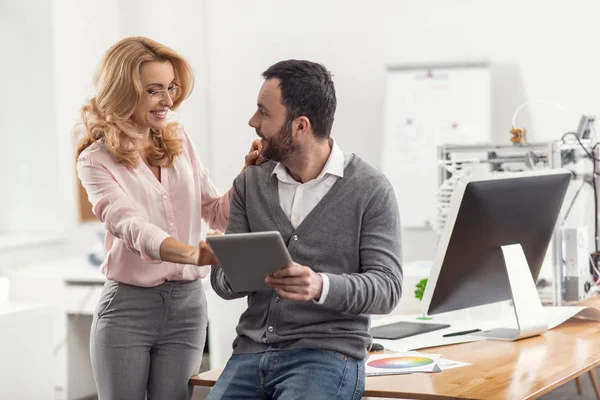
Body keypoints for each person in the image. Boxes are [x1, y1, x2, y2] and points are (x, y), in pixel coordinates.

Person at [76, 37, 260, 400]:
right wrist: (191, 253)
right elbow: (130, 227)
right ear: (123, 92)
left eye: (171, 88)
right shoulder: (94, 160)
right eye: (154, 91)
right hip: (129, 308)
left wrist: (247, 174)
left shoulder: (179, 143)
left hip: (188, 307)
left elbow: (215, 210)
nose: (168, 101)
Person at [208, 60, 403, 400]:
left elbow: (387, 287)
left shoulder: (371, 189)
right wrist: (235, 267)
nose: (253, 122)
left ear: (300, 126)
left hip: (325, 355)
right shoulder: (249, 183)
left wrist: (319, 285)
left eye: (263, 113)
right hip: (251, 352)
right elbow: (223, 284)